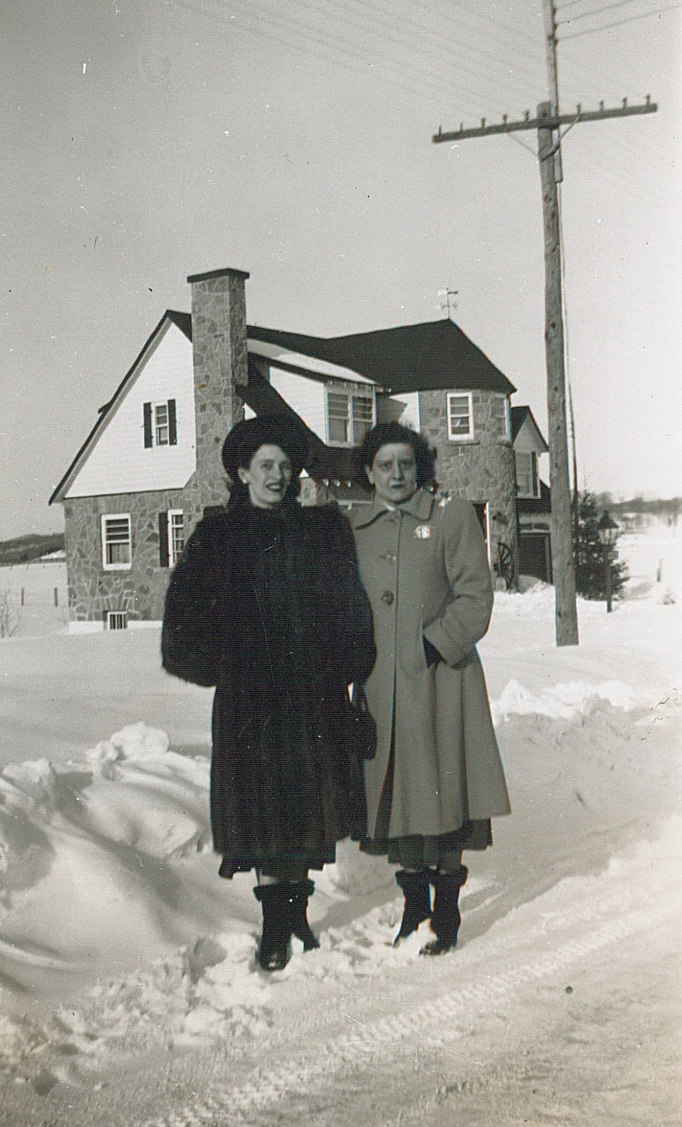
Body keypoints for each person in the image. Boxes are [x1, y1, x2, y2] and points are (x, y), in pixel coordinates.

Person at [161, 415, 376, 971]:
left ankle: (298, 916)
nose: (278, 476)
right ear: (242, 471)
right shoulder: (216, 537)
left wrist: (345, 668)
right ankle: (274, 928)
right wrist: (227, 664)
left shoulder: (321, 533)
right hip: (248, 703)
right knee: (261, 813)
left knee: (303, 808)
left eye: (285, 466)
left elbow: (351, 609)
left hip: (310, 696)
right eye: (266, 466)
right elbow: (181, 628)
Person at [349, 421, 510, 956]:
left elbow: (475, 597)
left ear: (421, 469)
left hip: (442, 684)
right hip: (381, 689)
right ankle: (413, 911)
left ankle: (445, 914)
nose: (396, 474)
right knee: (400, 803)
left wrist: (434, 645)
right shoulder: (355, 528)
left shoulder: (451, 517)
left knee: (441, 799)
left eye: (406, 464)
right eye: (385, 465)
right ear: (369, 473)